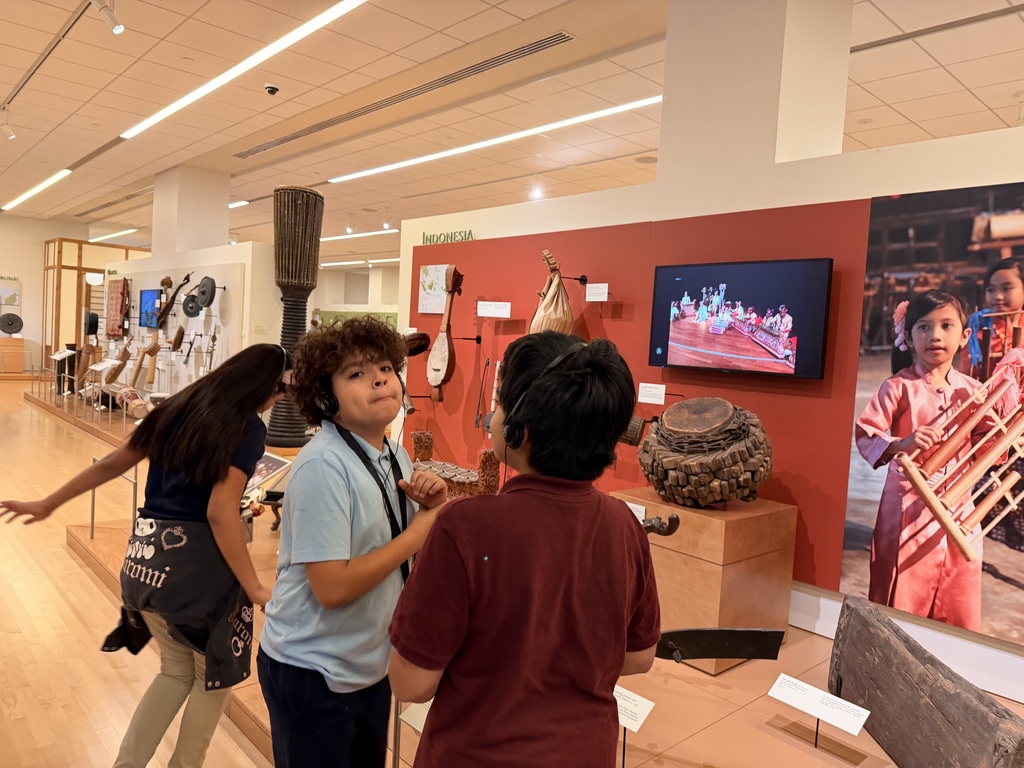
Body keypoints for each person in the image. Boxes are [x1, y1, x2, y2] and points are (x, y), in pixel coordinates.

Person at [1, 343, 291, 768]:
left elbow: (111, 464)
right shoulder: (246, 428)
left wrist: (49, 503)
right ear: (263, 386)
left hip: (145, 564)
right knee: (214, 682)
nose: (277, 400)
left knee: (174, 672)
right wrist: (255, 586)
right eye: (279, 390)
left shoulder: (175, 408)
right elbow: (219, 510)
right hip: (197, 579)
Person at [388, 330, 661, 768]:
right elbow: (640, 655)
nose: (494, 416)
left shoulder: (464, 526)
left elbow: (411, 683)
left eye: (499, 404)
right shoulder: (624, 524)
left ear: (520, 428)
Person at [257, 317, 446, 768]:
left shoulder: (393, 453)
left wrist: (426, 504)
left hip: (366, 663)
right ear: (325, 397)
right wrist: (422, 528)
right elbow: (332, 587)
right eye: (356, 374)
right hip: (313, 670)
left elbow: (391, 546)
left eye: (384, 367)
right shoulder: (323, 465)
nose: (379, 378)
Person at [855, 290, 992, 631]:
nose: (935, 336)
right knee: (903, 583)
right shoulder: (898, 387)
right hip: (908, 504)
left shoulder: (974, 391)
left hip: (959, 502)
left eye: (946, 326)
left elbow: (988, 443)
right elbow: (866, 433)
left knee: (959, 578)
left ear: (964, 336)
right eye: (923, 327)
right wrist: (903, 442)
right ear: (908, 337)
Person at [962, 257, 1024, 552]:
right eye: (991, 289)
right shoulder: (980, 325)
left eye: (1007, 287)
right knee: (987, 490)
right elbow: (968, 370)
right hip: (991, 420)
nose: (997, 296)